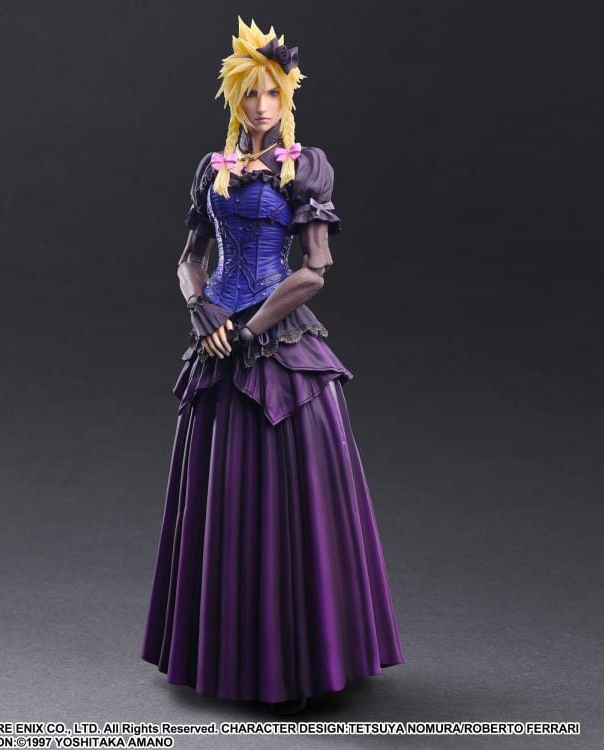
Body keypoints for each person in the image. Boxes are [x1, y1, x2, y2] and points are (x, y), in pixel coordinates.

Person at [141, 17, 405, 715]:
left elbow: (314, 270)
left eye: (272, 93)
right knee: (220, 497)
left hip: (276, 340)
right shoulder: (213, 169)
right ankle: (222, 655)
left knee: (296, 501)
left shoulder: (304, 165)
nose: (261, 106)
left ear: (287, 97)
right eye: (250, 94)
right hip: (219, 337)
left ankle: (305, 656)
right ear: (235, 100)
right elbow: (188, 259)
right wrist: (202, 312)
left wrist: (249, 329)